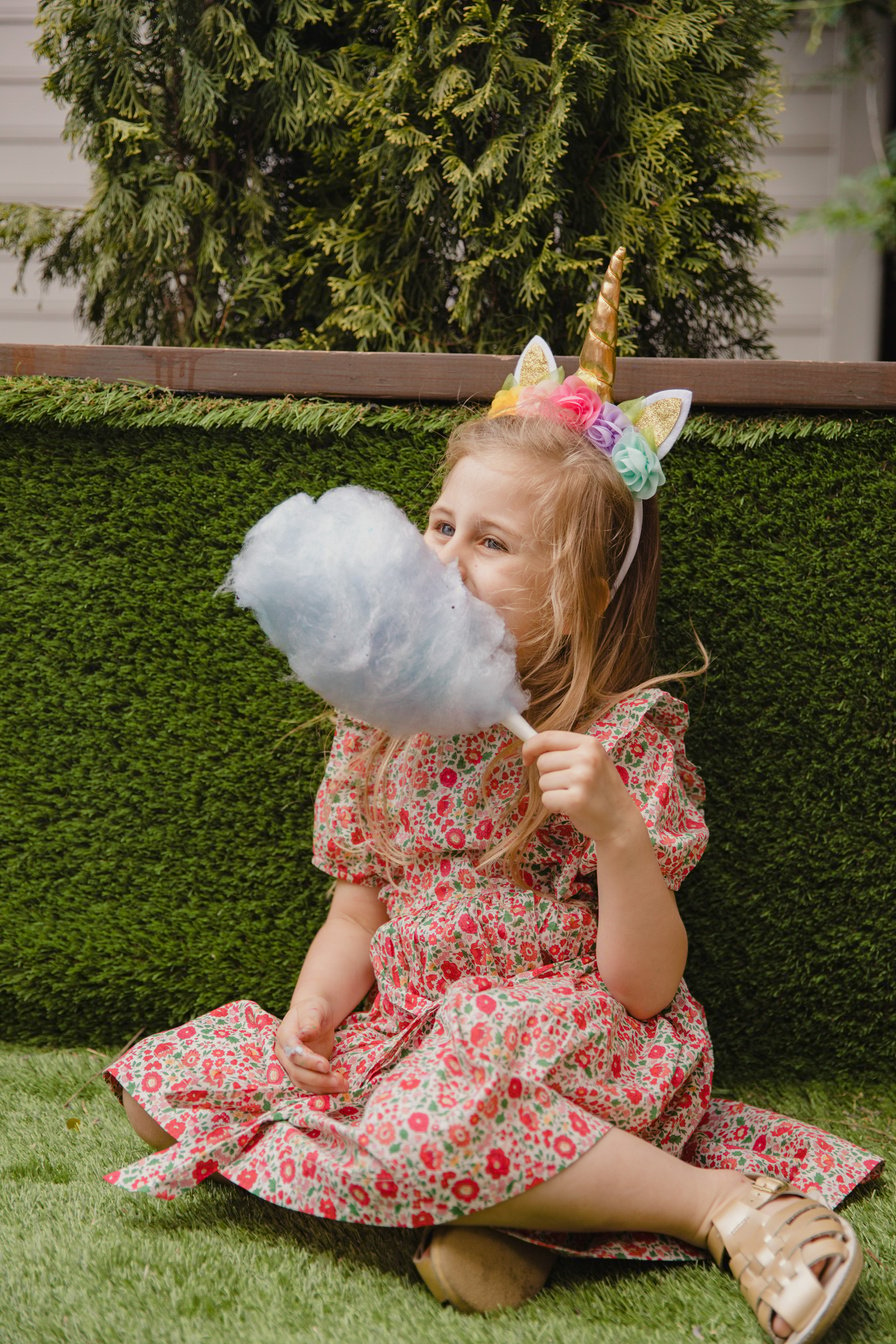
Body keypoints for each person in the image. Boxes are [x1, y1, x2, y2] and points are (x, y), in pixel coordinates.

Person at [105, 251, 880, 1344]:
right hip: (411, 1038)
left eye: (492, 543)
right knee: (161, 1088)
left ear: (579, 592)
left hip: (568, 1041)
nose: (442, 560)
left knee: (431, 1118)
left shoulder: (622, 740)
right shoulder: (380, 729)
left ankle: (721, 1208)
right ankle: (520, 1222)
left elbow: (646, 990)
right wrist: (315, 1009)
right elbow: (358, 910)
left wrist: (614, 831)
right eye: (438, 526)